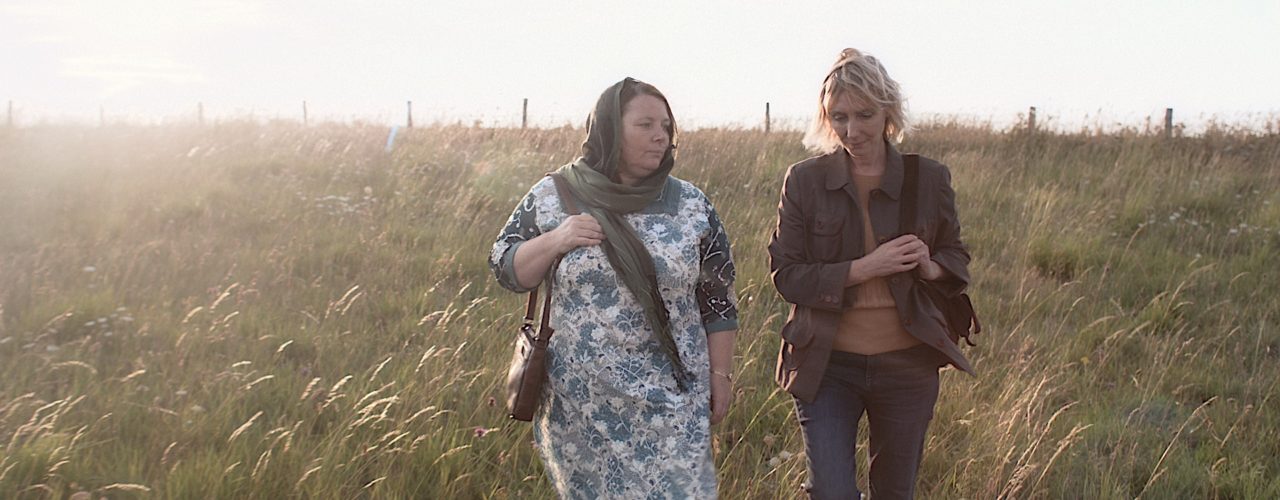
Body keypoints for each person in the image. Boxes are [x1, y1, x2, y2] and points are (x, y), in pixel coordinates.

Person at [490, 77, 739, 499]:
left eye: (666, 126)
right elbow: (505, 267)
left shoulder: (693, 205)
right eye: (645, 125)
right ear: (609, 129)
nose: (661, 136)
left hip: (675, 400)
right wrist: (557, 239)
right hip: (582, 407)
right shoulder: (554, 195)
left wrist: (721, 376)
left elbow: (718, 301)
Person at [767, 48, 976, 499]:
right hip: (827, 365)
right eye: (839, 117)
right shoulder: (803, 180)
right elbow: (786, 274)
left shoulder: (928, 178)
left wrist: (930, 265)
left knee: (894, 493)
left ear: (888, 112)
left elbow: (956, 256)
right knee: (831, 492)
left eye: (864, 115)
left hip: (907, 365)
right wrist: (863, 269)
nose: (851, 130)